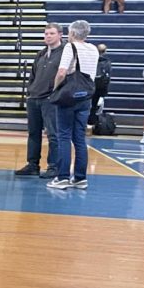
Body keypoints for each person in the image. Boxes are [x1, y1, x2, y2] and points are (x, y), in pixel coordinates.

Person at [48, 19, 99, 190]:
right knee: (79, 138)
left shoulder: (70, 47)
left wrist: (55, 89)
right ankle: (80, 178)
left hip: (69, 96)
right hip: (86, 97)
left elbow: (62, 72)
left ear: (73, 33)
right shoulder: (93, 49)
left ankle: (62, 177)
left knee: (63, 136)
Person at [14, 23, 63, 178]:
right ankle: (33, 164)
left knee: (53, 134)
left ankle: (53, 166)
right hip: (34, 98)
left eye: (51, 33)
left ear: (60, 35)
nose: (48, 36)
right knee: (33, 133)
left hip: (50, 99)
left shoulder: (64, 53)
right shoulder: (41, 54)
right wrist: (30, 92)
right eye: (46, 33)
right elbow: (33, 75)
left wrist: (54, 93)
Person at [88, 43, 112, 129]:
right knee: (96, 106)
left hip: (90, 85)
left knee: (87, 105)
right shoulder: (107, 62)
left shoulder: (90, 60)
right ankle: (93, 123)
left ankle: (85, 123)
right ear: (105, 51)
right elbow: (108, 76)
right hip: (101, 88)